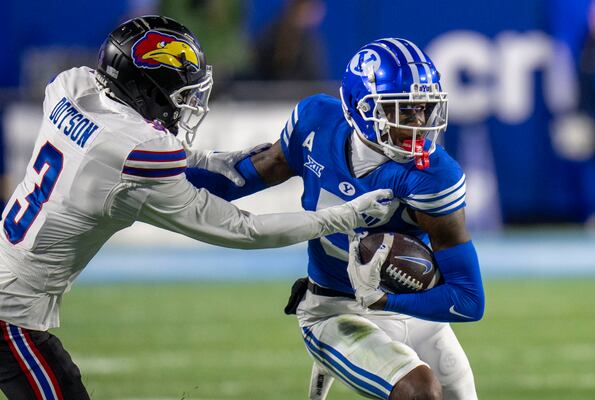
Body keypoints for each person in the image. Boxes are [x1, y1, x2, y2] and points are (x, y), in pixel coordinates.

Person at [0, 16, 399, 399]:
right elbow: (246, 229)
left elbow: (116, 136)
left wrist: (205, 159)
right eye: (182, 95)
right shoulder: (138, 155)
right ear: (148, 90)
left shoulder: (72, 87)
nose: (189, 106)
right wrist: (343, 216)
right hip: (12, 311)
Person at [187, 38, 485, 399]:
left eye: (424, 109)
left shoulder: (434, 175)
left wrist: (385, 302)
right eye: (404, 111)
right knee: (419, 392)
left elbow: (469, 299)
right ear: (362, 109)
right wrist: (159, 178)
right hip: (333, 310)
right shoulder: (315, 124)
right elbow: (239, 177)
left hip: (410, 309)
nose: (419, 123)